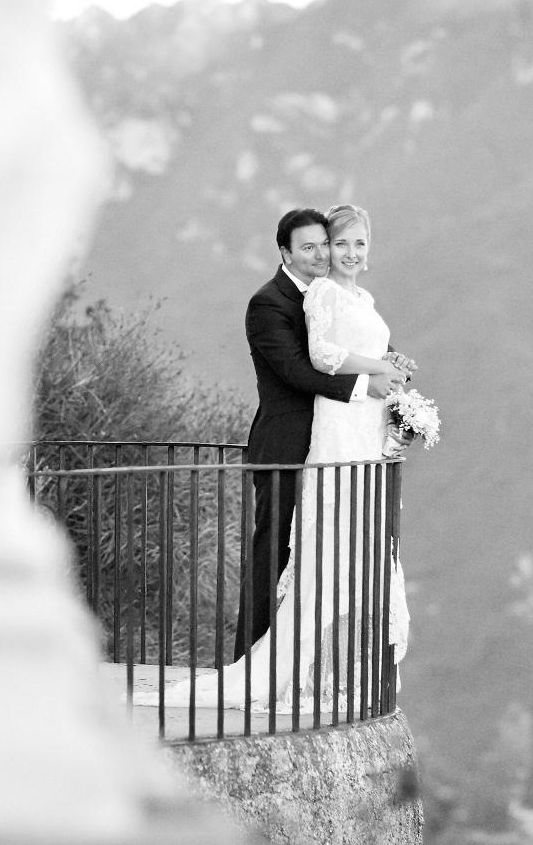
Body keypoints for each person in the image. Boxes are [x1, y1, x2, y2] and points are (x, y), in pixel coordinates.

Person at [138, 204, 413, 714]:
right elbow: (296, 370)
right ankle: (253, 664)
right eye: (308, 247)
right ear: (285, 251)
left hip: (341, 445)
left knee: (331, 559)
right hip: (288, 449)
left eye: (323, 245)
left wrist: (397, 386)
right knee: (275, 558)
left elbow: (371, 344)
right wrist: (366, 383)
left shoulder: (340, 296)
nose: (320, 255)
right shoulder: (268, 303)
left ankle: (320, 670)